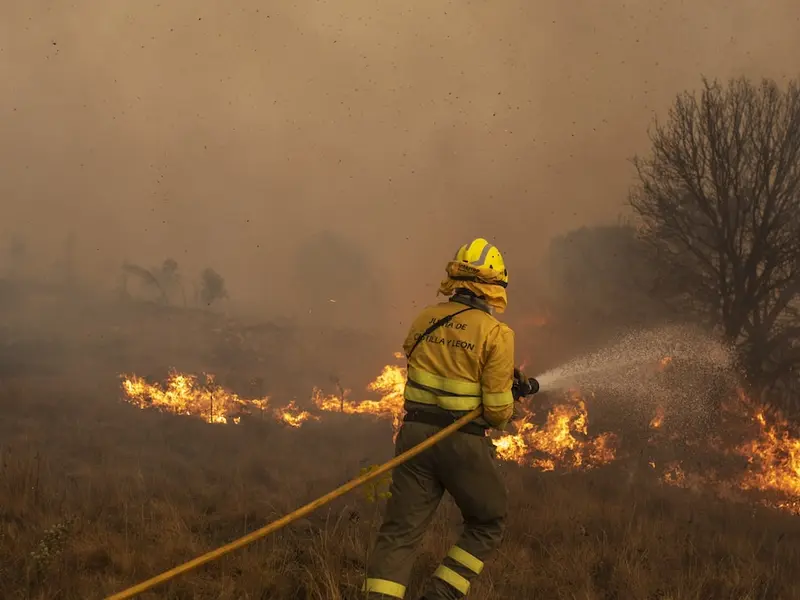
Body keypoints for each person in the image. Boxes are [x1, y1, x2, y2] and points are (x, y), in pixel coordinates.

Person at [363, 237, 527, 600]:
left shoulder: (426, 318)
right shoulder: (497, 334)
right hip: (460, 441)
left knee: (401, 531)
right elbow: (498, 413)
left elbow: (424, 361)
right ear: (494, 286)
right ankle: (440, 594)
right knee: (488, 519)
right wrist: (509, 395)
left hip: (414, 436)